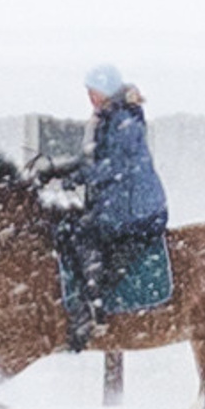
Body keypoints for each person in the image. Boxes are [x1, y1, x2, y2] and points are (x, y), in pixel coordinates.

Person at [36, 64, 170, 353]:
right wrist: (57, 170)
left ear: (106, 91)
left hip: (136, 209)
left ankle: (93, 310)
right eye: (88, 93)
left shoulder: (124, 120)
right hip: (118, 201)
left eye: (93, 92)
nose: (90, 98)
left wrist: (74, 179)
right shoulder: (107, 117)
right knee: (70, 228)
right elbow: (94, 161)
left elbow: (114, 166)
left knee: (86, 235)